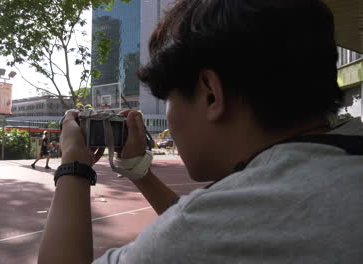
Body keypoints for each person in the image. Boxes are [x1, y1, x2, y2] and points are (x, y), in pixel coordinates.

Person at [38, 0, 363, 263]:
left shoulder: (203, 229)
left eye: (169, 99)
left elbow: (205, 225)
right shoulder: (346, 149)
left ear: (210, 94)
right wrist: (140, 172)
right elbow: (225, 218)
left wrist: (74, 168)